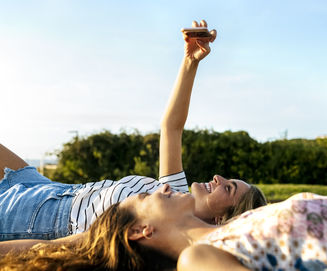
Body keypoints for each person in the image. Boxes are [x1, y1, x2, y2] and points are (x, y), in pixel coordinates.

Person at [0, 20, 266, 244]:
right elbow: (171, 128)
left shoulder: (164, 229)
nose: (218, 177)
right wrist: (190, 61)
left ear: (223, 220)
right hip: (52, 190)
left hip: (46, 220)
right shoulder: (173, 193)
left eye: (229, 188)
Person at [1, 184, 327, 270]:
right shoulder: (198, 259)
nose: (159, 186)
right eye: (144, 199)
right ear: (141, 231)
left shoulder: (238, 223)